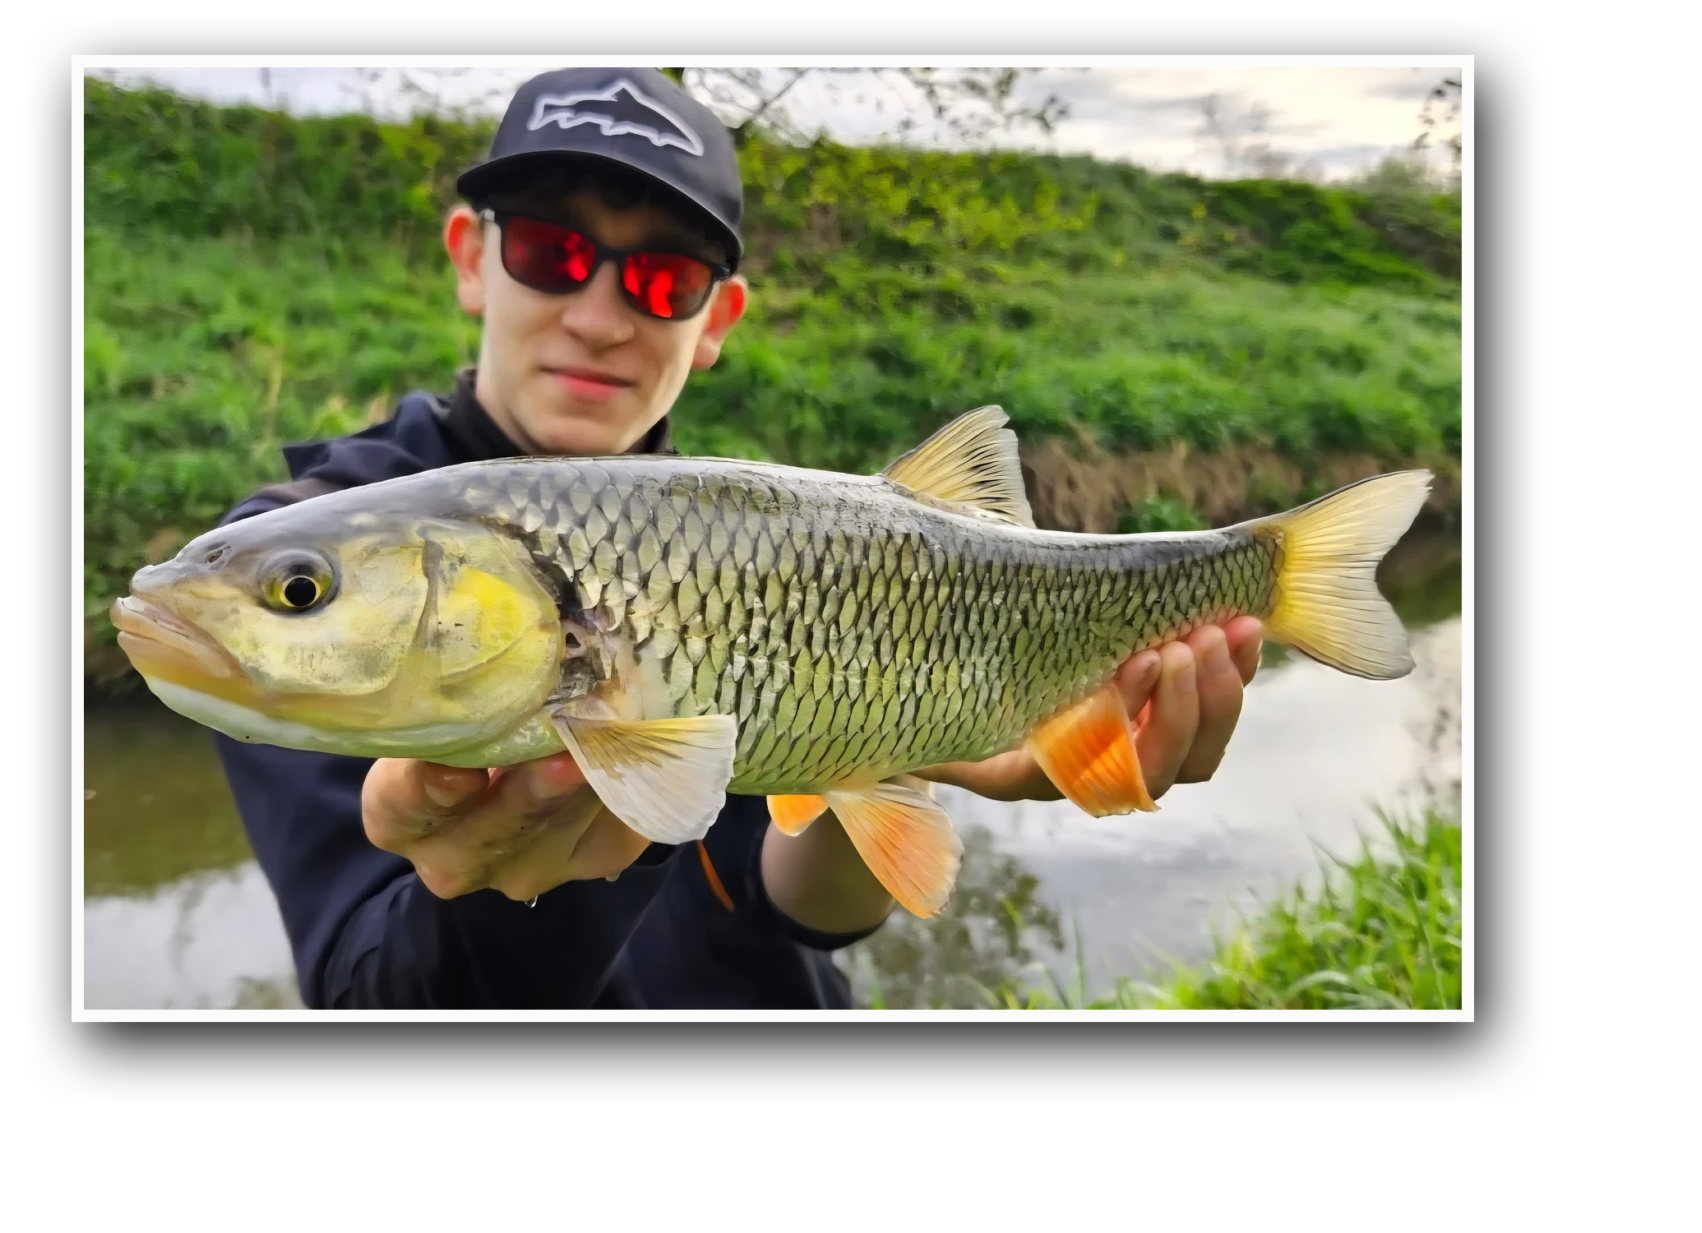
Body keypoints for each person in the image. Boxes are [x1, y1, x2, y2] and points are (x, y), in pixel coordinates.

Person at [213, 68, 1264, 1009]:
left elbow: (795, 908)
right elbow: (369, 991)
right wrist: (531, 877)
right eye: (549, 251)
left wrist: (907, 751)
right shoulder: (292, 563)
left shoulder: (765, 533)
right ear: (471, 257)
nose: (599, 316)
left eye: (662, 279)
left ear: (715, 319)